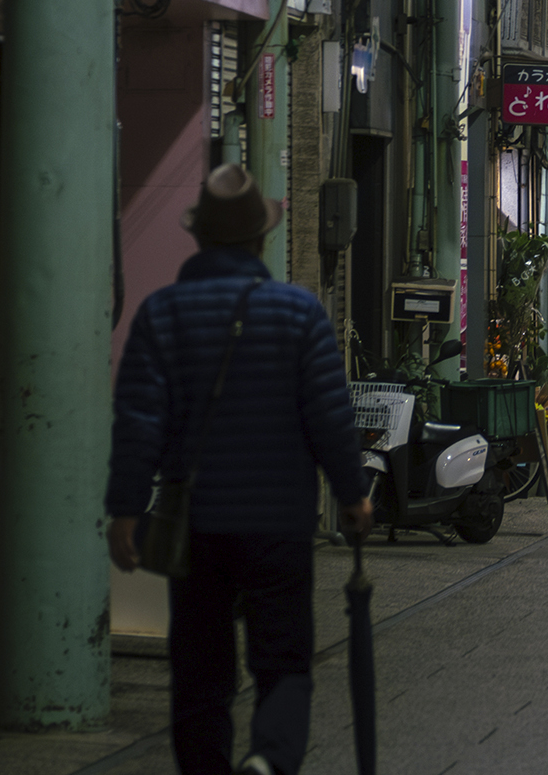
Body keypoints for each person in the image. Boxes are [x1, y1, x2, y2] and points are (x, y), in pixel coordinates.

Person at [105, 165, 370, 775]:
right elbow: (329, 418)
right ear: (260, 240)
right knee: (284, 663)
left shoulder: (161, 314)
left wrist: (124, 510)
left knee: (199, 671)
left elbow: (138, 422)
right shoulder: (299, 313)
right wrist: (354, 495)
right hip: (279, 525)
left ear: (200, 238)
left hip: (194, 525)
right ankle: (270, 761)